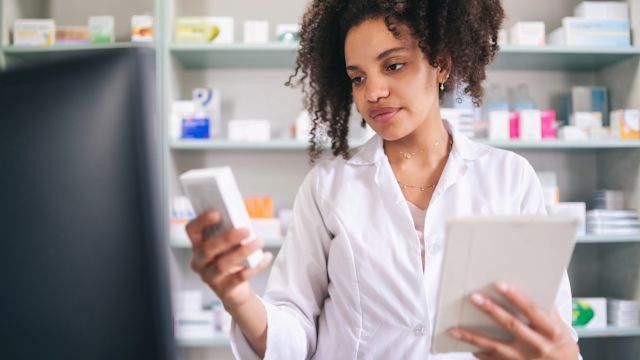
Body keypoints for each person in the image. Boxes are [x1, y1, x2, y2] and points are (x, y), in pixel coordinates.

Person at [185, 1, 581, 359]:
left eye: (393, 66)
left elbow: (550, 329)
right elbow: (294, 330)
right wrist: (237, 297)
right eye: (357, 78)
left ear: (441, 64)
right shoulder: (328, 187)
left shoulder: (509, 178)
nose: (372, 92)